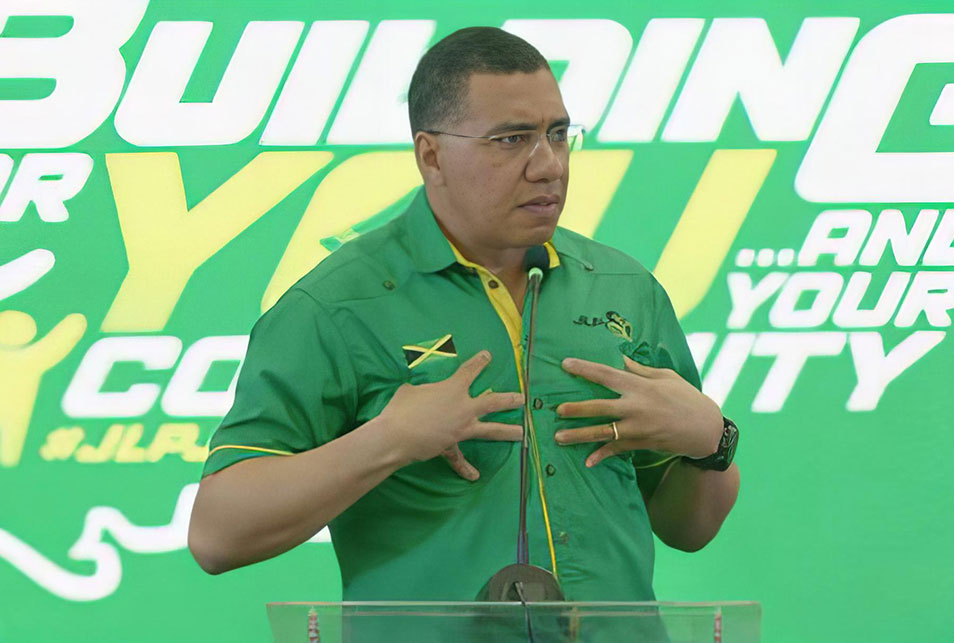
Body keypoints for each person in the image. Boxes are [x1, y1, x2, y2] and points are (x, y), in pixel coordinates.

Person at [188, 26, 740, 605]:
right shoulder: (335, 308)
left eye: (558, 134)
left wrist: (712, 439)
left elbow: (690, 528)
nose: (549, 165)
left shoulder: (628, 291)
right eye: (512, 139)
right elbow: (218, 535)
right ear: (432, 155)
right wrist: (390, 439)